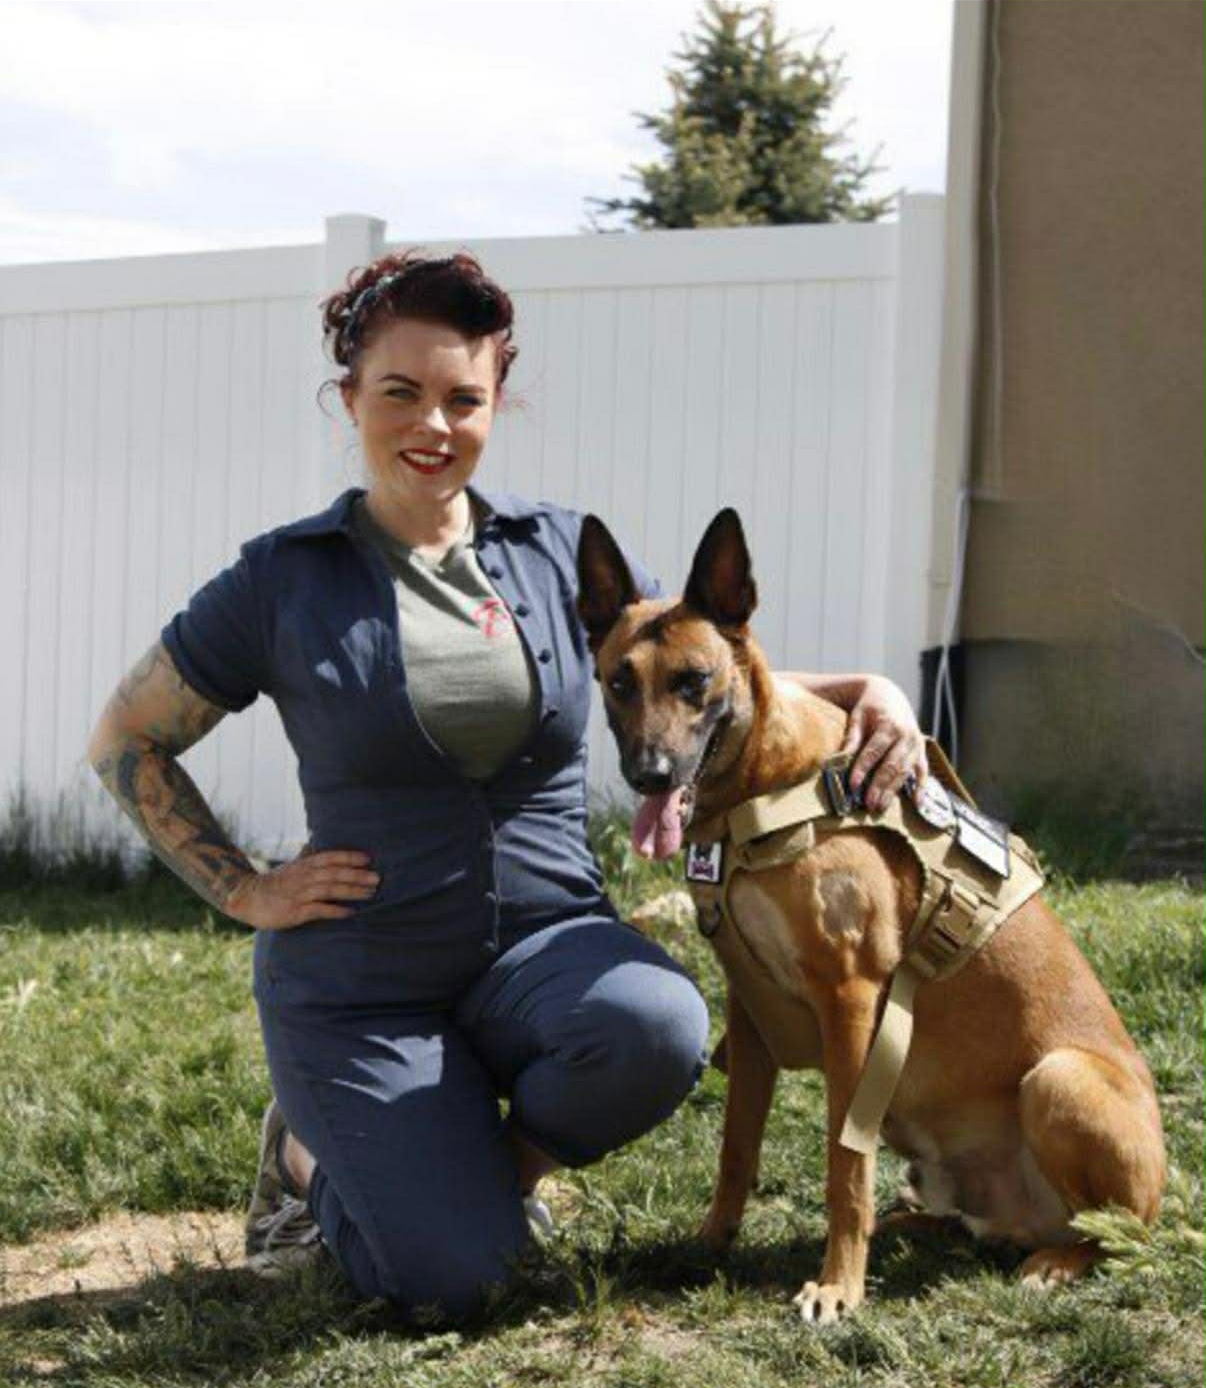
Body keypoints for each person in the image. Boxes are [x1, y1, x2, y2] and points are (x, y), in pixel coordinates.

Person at [87, 249, 928, 1322]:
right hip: (364, 975)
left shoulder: (547, 551)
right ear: (349, 397)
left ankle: (479, 1169)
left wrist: (878, 689)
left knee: (659, 1027)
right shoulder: (280, 580)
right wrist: (245, 889)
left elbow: (700, 671)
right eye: (400, 393)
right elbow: (128, 740)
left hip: (541, 945)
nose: (432, 425)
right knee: (457, 1282)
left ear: (496, 404)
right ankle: (308, 1157)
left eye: (462, 398)